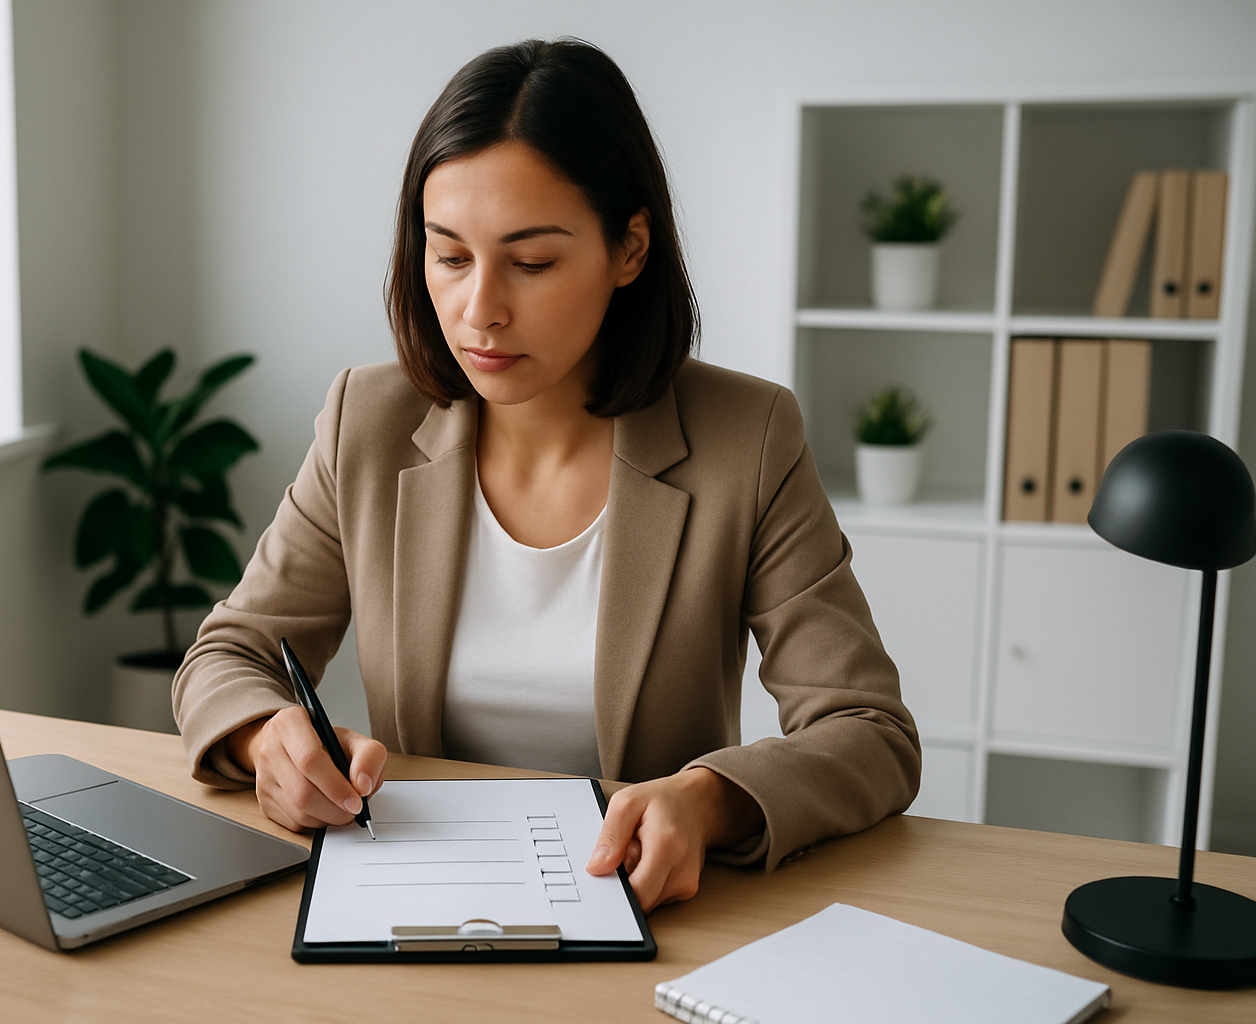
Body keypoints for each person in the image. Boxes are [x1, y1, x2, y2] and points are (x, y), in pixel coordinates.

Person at [172, 38, 919, 912]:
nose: (480, 310)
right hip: (418, 897)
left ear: (629, 249)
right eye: (450, 257)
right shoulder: (366, 422)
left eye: (531, 263)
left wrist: (708, 799)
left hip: (642, 907)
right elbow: (228, 653)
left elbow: (868, 729)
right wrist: (266, 738)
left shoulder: (745, 439)